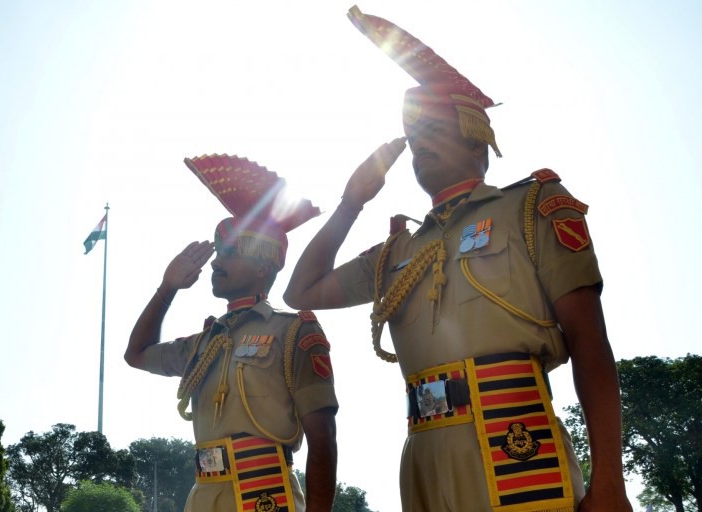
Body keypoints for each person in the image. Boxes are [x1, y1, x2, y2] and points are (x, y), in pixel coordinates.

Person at [283, 6, 631, 512]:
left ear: (476, 139)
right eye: (414, 137)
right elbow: (301, 292)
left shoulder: (530, 208)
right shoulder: (397, 250)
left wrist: (610, 484)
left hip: (513, 438)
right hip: (422, 450)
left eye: (434, 132)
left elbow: (590, 341)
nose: (420, 145)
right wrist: (351, 202)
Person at [125, 154, 338, 512]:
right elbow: (137, 354)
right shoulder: (204, 343)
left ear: (262, 266)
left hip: (266, 493)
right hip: (203, 494)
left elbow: (322, 437)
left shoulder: (294, 331)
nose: (216, 261)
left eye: (230, 253)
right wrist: (168, 288)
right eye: (218, 251)